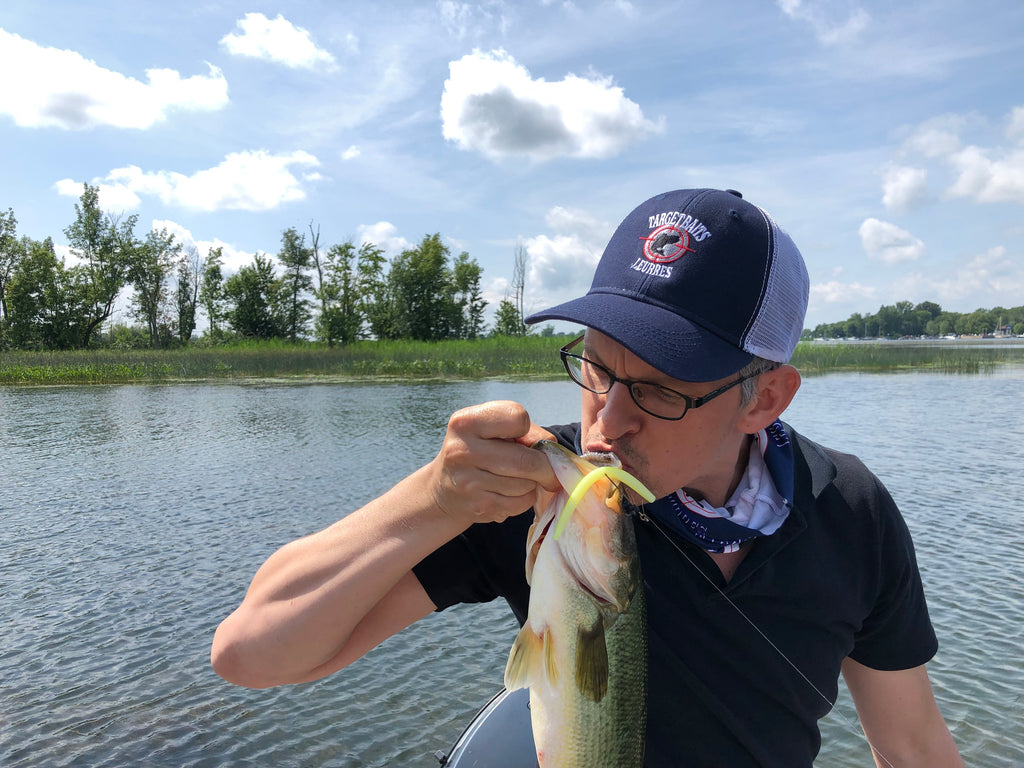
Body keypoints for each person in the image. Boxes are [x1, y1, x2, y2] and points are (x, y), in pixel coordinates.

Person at [211, 188, 963, 767]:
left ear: (762, 398)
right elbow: (252, 654)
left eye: (663, 389)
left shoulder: (851, 508)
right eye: (597, 367)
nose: (608, 422)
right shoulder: (530, 491)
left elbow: (912, 744)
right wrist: (433, 501)